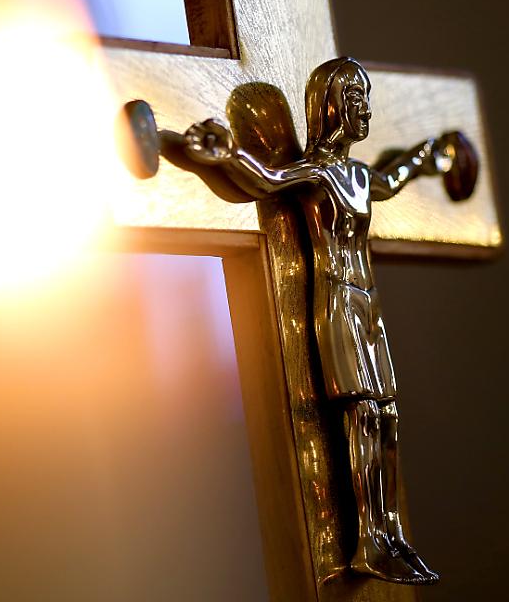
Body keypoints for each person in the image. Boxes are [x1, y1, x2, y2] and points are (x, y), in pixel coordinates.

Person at [176, 57, 469, 584]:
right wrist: (221, 153)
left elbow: (395, 176)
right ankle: (368, 540)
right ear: (330, 106)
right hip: (337, 300)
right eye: (356, 99)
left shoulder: (359, 175)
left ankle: (391, 533)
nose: (366, 110)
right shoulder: (317, 174)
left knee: (388, 414)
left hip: (368, 303)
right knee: (362, 412)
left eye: (366, 98)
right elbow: (267, 179)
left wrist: (433, 155)